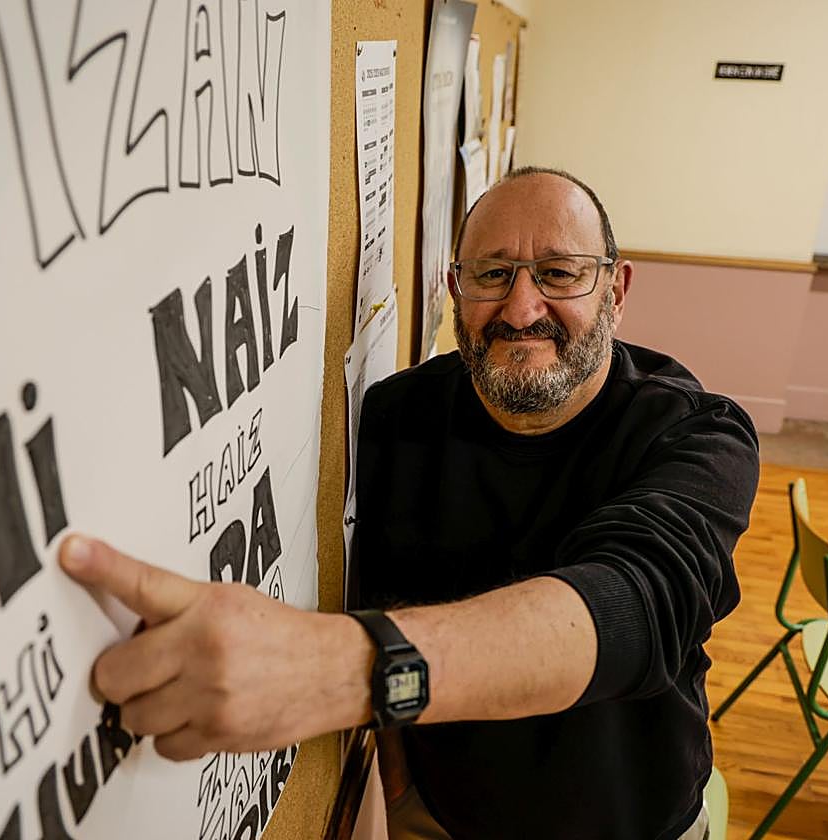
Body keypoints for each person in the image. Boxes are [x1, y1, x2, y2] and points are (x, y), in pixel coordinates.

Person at [58, 167, 760, 839]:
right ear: (455, 289)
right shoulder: (396, 415)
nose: (521, 309)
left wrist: (338, 673)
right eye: (492, 274)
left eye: (559, 272)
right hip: (442, 819)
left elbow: (639, 602)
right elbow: (384, 591)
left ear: (616, 288)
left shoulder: (699, 434)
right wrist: (401, 793)